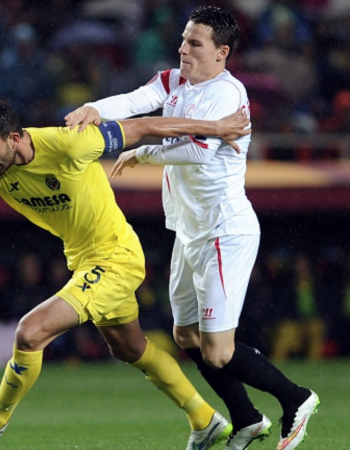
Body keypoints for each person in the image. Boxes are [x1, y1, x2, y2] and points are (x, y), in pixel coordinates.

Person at [0, 98, 248, 449]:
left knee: (30, 331)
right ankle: (205, 419)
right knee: (130, 348)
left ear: (14, 137)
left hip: (115, 257)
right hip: (84, 260)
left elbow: (142, 126)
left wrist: (216, 128)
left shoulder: (70, 142)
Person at [65, 6, 319, 450]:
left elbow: (199, 151)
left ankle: (296, 398)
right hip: (190, 231)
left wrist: (142, 152)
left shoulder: (226, 94)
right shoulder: (174, 81)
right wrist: (93, 108)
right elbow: (133, 101)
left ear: (221, 53)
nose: (183, 49)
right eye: (183, 40)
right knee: (186, 336)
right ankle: (245, 418)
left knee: (219, 349)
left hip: (225, 229)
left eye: (194, 43)